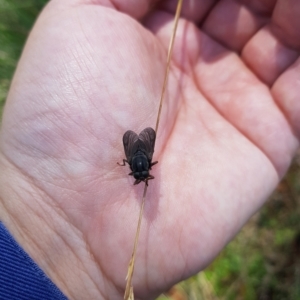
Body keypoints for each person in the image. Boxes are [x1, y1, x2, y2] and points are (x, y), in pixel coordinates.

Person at [0, 0, 299, 299]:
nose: (142, 176)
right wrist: (32, 210)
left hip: (137, 150)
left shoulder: (137, 167)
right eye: (142, 175)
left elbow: (138, 155)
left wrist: (30, 215)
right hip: (138, 148)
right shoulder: (138, 166)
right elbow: (139, 151)